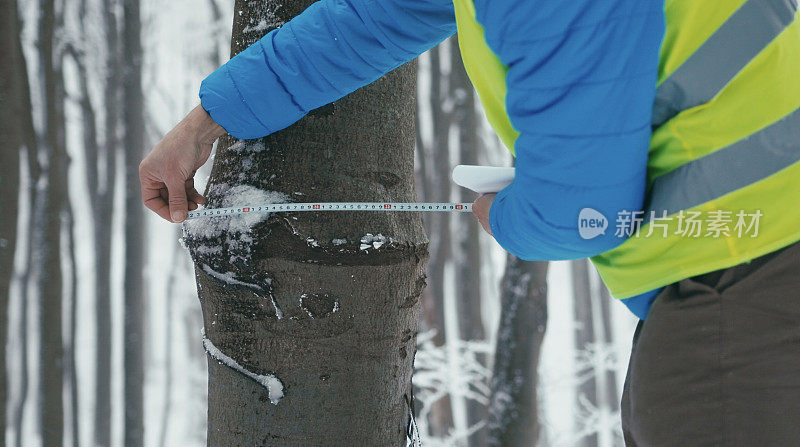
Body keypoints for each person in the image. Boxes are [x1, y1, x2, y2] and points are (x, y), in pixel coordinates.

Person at [139, 0, 800, 444]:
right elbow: (372, 19)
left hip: (748, 283)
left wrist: (508, 217)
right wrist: (208, 118)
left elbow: (583, 214)